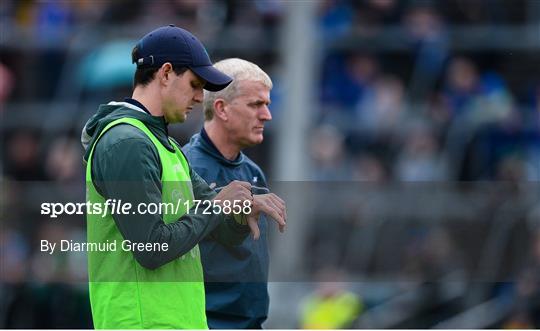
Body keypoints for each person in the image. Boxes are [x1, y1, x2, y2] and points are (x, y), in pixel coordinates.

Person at [81, 25, 285, 329]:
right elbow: (151, 248)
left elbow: (222, 230)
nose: (200, 97)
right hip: (142, 322)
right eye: (194, 84)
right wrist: (218, 206)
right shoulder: (127, 143)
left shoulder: (166, 147)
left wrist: (243, 212)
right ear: (165, 74)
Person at [183, 58, 287, 329]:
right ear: (222, 108)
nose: (266, 115)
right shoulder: (185, 170)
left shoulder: (253, 172)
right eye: (256, 104)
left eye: (267, 104)